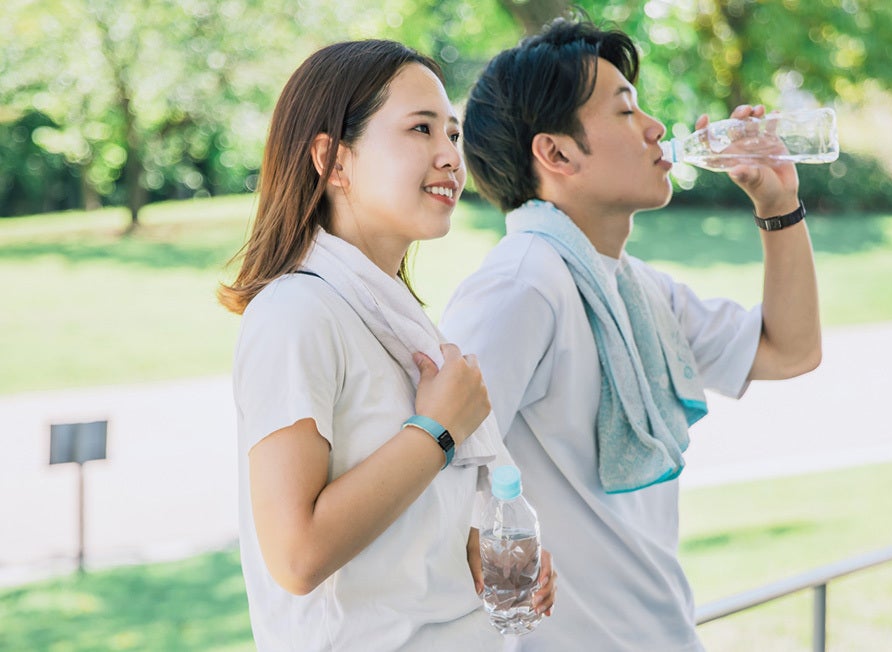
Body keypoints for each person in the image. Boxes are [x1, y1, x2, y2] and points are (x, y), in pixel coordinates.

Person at [439, 18, 821, 652]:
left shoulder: (635, 288)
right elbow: (432, 474)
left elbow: (791, 350)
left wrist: (778, 204)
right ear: (556, 154)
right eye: (625, 110)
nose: (655, 127)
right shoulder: (521, 286)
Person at [218, 40, 554, 651]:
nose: (449, 155)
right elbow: (296, 556)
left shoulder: (395, 318)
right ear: (332, 160)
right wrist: (437, 431)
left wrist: (485, 540)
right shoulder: (296, 315)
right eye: (420, 128)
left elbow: (401, 526)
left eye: (452, 133)